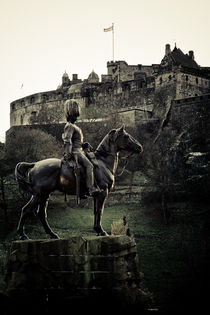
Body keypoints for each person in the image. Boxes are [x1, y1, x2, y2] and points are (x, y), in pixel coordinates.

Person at [62, 99, 99, 196]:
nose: (77, 118)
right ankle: (91, 189)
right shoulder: (69, 126)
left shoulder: (74, 126)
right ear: (71, 114)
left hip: (80, 150)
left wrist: (83, 145)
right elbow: (67, 141)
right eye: (75, 115)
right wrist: (68, 154)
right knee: (89, 166)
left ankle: (84, 188)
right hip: (76, 153)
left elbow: (76, 142)